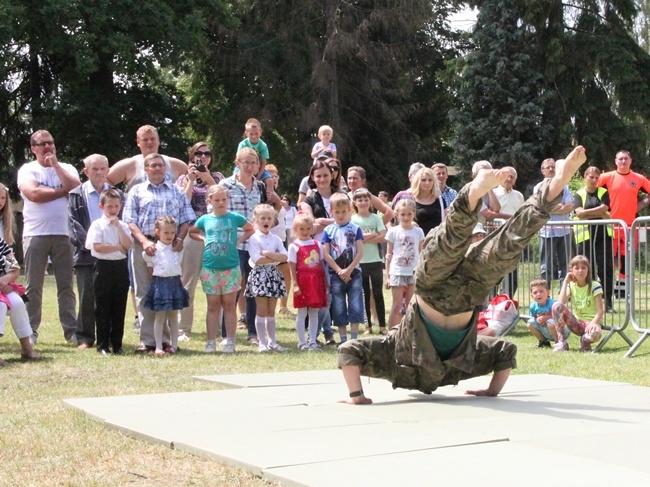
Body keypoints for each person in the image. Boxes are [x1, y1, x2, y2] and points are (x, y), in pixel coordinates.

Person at [338, 145, 587, 404]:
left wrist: (356, 395)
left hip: (438, 291)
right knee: (505, 244)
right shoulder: (404, 361)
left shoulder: (398, 358)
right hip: (464, 293)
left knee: (458, 243)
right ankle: (553, 185)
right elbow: (505, 350)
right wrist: (492, 391)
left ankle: (480, 192)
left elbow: (349, 350)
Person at [122, 153, 195, 353]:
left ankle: (165, 341)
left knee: (167, 292)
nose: (156, 169)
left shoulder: (176, 191)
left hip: (171, 247)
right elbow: (130, 220)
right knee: (144, 292)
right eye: (152, 166)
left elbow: (187, 218)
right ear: (145, 169)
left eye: (160, 166)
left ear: (165, 169)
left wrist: (179, 239)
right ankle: (148, 340)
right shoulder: (136, 191)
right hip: (143, 245)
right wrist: (144, 242)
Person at [17, 129, 81, 344]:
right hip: (35, 234)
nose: (48, 147)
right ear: (33, 148)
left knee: (66, 287)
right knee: (33, 286)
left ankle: (71, 331)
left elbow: (76, 189)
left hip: (64, 234)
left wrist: (55, 166)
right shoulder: (28, 170)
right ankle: (30, 331)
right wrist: (62, 191)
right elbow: (34, 194)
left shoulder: (67, 168)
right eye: (42, 143)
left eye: (50, 142)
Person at [190, 185, 254, 353]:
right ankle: (211, 341)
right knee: (213, 305)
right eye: (216, 200)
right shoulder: (205, 219)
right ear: (209, 201)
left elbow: (250, 228)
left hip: (231, 266)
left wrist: (239, 240)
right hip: (210, 267)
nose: (220, 203)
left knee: (229, 304)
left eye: (223, 199)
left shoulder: (234, 217)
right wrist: (203, 239)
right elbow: (192, 231)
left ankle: (230, 341)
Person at [69, 154, 120, 349]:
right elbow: (74, 224)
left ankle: (108, 337)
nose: (99, 173)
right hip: (86, 254)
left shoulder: (117, 194)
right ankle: (85, 337)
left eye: (102, 169)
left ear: (108, 171)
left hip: (113, 255)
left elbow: (122, 221)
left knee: (110, 297)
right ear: (86, 171)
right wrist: (92, 246)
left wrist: (111, 248)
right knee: (87, 297)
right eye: (94, 169)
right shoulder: (76, 194)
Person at [176, 142, 224, 341]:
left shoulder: (219, 177)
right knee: (188, 281)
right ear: (191, 156)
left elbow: (222, 198)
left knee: (218, 283)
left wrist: (208, 179)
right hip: (191, 233)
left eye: (207, 153)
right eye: (199, 153)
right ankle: (183, 329)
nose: (203, 157)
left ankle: (220, 330)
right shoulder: (182, 178)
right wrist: (190, 180)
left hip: (215, 234)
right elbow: (182, 203)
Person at [220, 147, 264, 345]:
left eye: (253, 162)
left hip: (255, 245)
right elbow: (217, 213)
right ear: (237, 163)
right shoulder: (225, 185)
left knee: (253, 289)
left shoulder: (260, 186)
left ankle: (253, 333)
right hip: (233, 244)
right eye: (245, 162)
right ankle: (226, 334)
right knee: (232, 289)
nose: (250, 166)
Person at [85, 189, 132, 355]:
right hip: (103, 267)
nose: (113, 210)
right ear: (101, 206)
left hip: (120, 266)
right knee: (103, 307)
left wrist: (118, 226)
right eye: (109, 206)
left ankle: (117, 344)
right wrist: (117, 247)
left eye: (116, 206)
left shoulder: (124, 225)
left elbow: (127, 245)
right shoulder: (97, 225)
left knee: (119, 307)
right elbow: (98, 247)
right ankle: (102, 345)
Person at [598, 150, 650, 298]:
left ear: (630, 161)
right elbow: (590, 189)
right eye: (620, 159)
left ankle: (620, 292)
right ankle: (604, 291)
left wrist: (641, 204)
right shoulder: (607, 177)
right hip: (611, 225)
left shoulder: (638, 178)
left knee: (625, 260)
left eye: (625, 159)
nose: (623, 161)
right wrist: (602, 209)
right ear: (615, 161)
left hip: (629, 226)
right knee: (607, 260)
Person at [300, 160, 340, 345]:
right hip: (317, 253)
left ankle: (327, 331)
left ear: (332, 175)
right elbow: (310, 225)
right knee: (322, 294)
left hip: (339, 251)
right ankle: (319, 332)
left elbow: (348, 219)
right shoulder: (309, 200)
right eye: (318, 176)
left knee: (333, 294)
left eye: (325, 175)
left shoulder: (340, 196)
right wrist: (330, 220)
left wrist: (322, 222)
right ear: (313, 178)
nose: (322, 179)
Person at [142, 216, 190, 356]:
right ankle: (158, 346)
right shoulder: (152, 251)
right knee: (160, 316)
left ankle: (174, 345)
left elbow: (178, 265)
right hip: (160, 284)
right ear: (157, 232)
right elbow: (150, 269)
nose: (170, 236)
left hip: (175, 283)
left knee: (174, 316)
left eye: (172, 233)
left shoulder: (178, 249)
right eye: (166, 233)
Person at [245, 204, 289, 353]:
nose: (266, 221)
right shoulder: (254, 238)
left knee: (271, 311)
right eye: (262, 218)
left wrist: (268, 254)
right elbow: (256, 259)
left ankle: (272, 341)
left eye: (269, 218)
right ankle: (262, 342)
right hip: (260, 276)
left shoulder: (276, 238)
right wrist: (275, 257)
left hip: (273, 275)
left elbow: (285, 256)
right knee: (262, 310)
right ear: (256, 219)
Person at [322, 192, 364, 344]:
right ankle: (343, 338)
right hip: (335, 274)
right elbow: (326, 254)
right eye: (337, 212)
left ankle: (354, 337)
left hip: (354, 273)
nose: (340, 215)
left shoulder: (355, 228)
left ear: (349, 210)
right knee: (338, 305)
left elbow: (359, 252)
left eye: (344, 211)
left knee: (355, 303)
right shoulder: (328, 231)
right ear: (331, 211)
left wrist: (349, 269)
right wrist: (339, 270)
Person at [574, 166, 614, 312]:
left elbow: (605, 209)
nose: (594, 180)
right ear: (585, 176)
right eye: (591, 177)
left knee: (606, 269)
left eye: (597, 178)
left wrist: (586, 213)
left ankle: (608, 302)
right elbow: (578, 213)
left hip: (603, 236)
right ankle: (588, 302)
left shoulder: (603, 192)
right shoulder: (578, 195)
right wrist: (597, 213)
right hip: (585, 238)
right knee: (585, 270)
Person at [288, 213, 328, 351]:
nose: (305, 232)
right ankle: (301, 341)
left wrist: (325, 281)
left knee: (314, 312)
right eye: (301, 229)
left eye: (307, 228)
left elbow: (321, 264)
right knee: (302, 312)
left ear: (312, 229)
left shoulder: (317, 244)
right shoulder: (294, 246)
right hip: (302, 280)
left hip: (316, 281)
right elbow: (291, 266)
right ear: (295, 230)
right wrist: (294, 284)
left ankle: (312, 341)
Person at [351, 188, 387, 335]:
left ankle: (383, 326)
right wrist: (372, 235)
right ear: (354, 202)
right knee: (364, 293)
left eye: (366, 199)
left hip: (376, 260)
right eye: (360, 200)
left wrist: (364, 237)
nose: (363, 202)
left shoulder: (376, 218)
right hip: (360, 261)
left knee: (378, 293)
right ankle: (368, 326)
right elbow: (354, 238)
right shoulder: (352, 220)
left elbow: (383, 236)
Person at [0, 236, 41, 365]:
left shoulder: (0, 242)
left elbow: (15, 269)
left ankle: (26, 348)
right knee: (1, 305)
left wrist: (5, 279)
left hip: (3, 286)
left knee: (18, 302)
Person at [107, 124, 188, 190]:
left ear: (158, 140)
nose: (149, 142)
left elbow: (194, 182)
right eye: (145, 140)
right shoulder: (129, 165)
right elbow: (106, 179)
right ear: (138, 142)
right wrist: (115, 200)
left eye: (152, 139)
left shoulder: (176, 164)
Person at [385, 199, 425, 327]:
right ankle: (391, 333)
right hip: (397, 271)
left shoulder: (418, 232)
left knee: (411, 304)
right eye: (403, 214)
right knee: (397, 305)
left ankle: (409, 332)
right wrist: (388, 276)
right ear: (397, 214)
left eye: (409, 214)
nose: (406, 217)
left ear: (414, 214)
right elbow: (389, 255)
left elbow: (421, 253)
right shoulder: (393, 231)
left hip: (413, 272)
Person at [551, 255, 604, 352]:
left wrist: (593, 323)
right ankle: (562, 342)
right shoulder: (571, 285)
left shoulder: (595, 285)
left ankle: (585, 342)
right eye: (577, 268)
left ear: (588, 269)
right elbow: (561, 303)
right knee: (556, 306)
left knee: (595, 334)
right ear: (571, 270)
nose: (580, 271)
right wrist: (565, 282)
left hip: (592, 323)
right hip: (577, 323)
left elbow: (600, 311)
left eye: (583, 268)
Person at [535, 158, 573, 287]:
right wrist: (559, 207)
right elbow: (541, 208)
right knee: (546, 266)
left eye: (553, 167)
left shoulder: (565, 186)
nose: (551, 169)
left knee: (565, 264)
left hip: (564, 231)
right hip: (546, 232)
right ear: (542, 171)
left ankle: (564, 293)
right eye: (548, 167)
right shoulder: (538, 188)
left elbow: (569, 207)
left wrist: (550, 208)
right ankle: (545, 294)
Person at [491, 166, 525, 296]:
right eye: (506, 176)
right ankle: (491, 299)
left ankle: (507, 299)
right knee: (494, 268)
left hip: (513, 237)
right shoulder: (493, 193)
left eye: (512, 177)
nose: (509, 179)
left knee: (511, 269)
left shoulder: (519, 196)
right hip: (495, 235)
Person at [265, 164, 294, 316]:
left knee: (286, 273)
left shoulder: (277, 196)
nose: (273, 179)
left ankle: (283, 306)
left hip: (282, 239)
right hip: (268, 241)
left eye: (275, 176)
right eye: (270, 175)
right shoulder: (265, 196)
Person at [235, 118, 273, 190]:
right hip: (242, 167)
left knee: (270, 180)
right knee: (235, 177)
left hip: (258, 167)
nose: (254, 136)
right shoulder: (243, 144)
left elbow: (264, 162)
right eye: (251, 134)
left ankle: (269, 197)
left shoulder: (263, 145)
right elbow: (238, 160)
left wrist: (259, 175)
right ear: (246, 133)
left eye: (256, 133)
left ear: (260, 132)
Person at [408, 167, 446, 237]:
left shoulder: (440, 200)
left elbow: (446, 221)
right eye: (423, 180)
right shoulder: (411, 201)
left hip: (436, 242)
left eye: (430, 180)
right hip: (417, 241)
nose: (427, 183)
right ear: (418, 181)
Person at [526, 279, 558, 348]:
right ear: (532, 296)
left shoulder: (554, 304)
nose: (538, 294)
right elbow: (533, 318)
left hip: (558, 328)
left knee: (550, 322)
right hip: (544, 328)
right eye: (535, 293)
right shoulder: (533, 306)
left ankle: (559, 342)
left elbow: (560, 317)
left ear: (548, 292)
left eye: (541, 291)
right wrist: (537, 319)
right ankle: (544, 342)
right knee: (529, 323)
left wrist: (547, 317)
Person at [471, 160, 501, 226]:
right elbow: (488, 214)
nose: (486, 177)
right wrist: (511, 216)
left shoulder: (492, 191)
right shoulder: (471, 191)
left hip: (486, 231)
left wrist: (489, 189)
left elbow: (496, 209)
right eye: (482, 174)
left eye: (488, 174)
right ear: (474, 176)